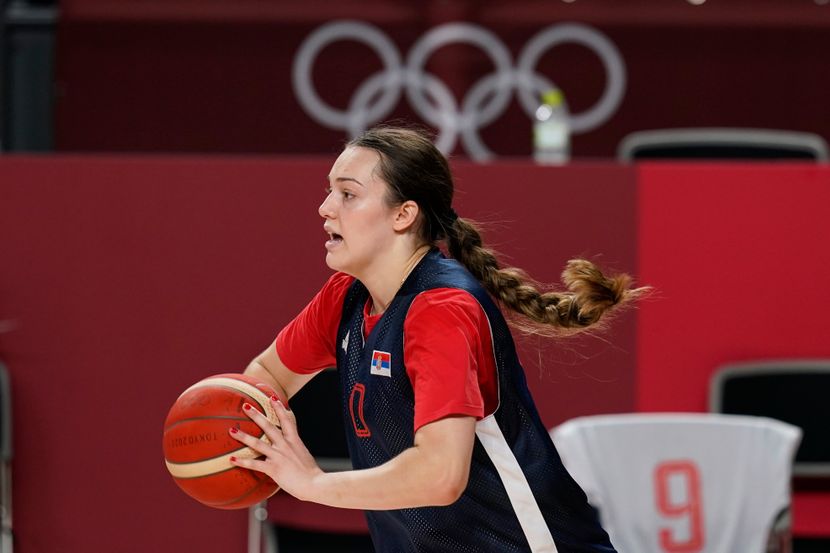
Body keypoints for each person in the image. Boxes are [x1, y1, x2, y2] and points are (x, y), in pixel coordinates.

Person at [230, 125, 647, 552]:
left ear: (403, 215)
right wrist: (253, 436)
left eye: (348, 194)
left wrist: (312, 482)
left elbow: (441, 474)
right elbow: (266, 376)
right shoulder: (346, 296)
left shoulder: (441, 310)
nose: (325, 208)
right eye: (329, 191)